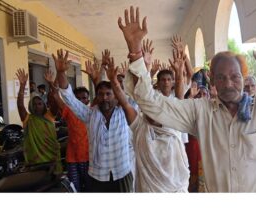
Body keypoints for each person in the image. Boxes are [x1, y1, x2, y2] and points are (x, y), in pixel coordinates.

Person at [119, 1, 256, 192]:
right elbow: (151, 102)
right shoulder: (201, 112)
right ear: (212, 81)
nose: (228, 84)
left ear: (244, 79)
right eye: (221, 78)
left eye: (235, 77)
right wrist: (135, 52)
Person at [107, 54, 190, 192]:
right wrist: (114, 82)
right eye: (150, 109)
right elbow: (125, 103)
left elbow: (179, 99)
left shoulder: (173, 125)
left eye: (157, 110)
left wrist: (179, 73)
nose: (153, 112)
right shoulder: (140, 127)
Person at [55, 49, 133, 192]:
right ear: (96, 96)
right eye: (101, 94)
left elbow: (137, 94)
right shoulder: (89, 115)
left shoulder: (124, 112)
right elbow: (68, 97)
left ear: (115, 95)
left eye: (109, 94)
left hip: (122, 173)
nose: (105, 98)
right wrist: (60, 73)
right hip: (97, 176)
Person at [44, 70, 89, 192]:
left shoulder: (92, 113)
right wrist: (51, 84)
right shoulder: (69, 111)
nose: (81, 100)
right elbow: (56, 97)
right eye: (77, 98)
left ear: (88, 100)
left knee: (90, 189)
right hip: (72, 158)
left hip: (89, 157)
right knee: (74, 189)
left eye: (84, 98)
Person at [16, 69, 62, 173]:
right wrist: (22, 86)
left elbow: (54, 101)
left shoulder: (49, 116)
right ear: (30, 106)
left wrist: (50, 83)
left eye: (39, 104)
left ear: (44, 105)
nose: (37, 106)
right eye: (34, 104)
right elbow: (20, 105)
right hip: (34, 162)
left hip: (52, 158)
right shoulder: (27, 119)